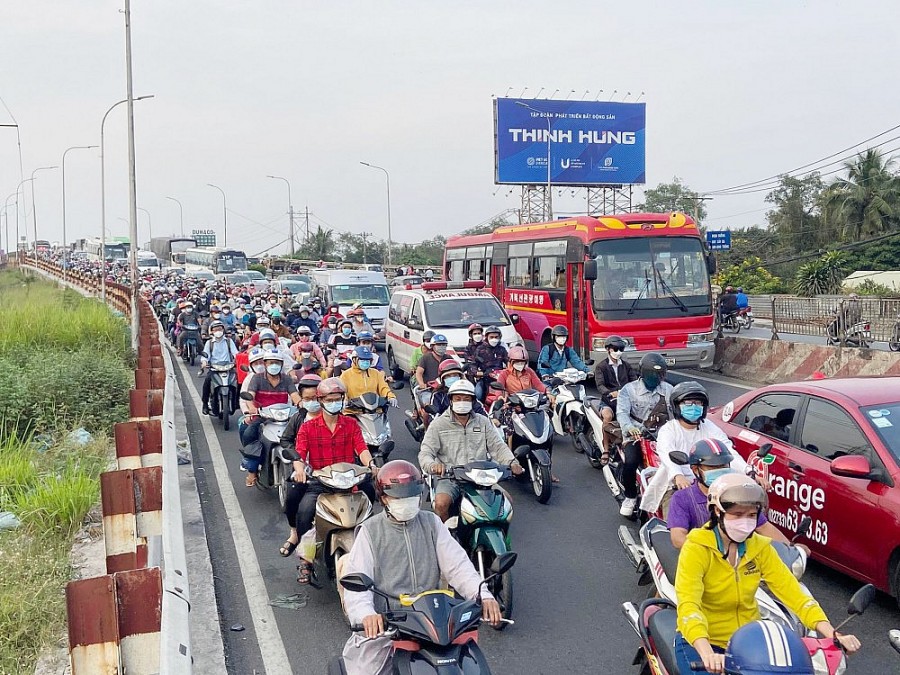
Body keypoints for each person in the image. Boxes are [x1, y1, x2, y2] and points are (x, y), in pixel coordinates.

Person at [674, 474, 860, 674]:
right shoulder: (696, 548)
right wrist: (707, 653)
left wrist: (833, 634)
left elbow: (795, 595)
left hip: (749, 644)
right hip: (702, 643)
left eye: (751, 515)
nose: (745, 521)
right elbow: (689, 605)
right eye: (737, 514)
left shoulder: (759, 548)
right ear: (717, 512)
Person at [340, 460, 503, 675]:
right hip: (391, 622)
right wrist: (366, 615)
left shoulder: (432, 523)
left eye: (411, 495)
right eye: (398, 497)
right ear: (384, 498)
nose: (405, 502)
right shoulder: (371, 532)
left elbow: (458, 565)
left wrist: (483, 595)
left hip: (435, 618)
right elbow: (357, 581)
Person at [291, 378, 379, 584]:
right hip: (320, 483)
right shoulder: (308, 427)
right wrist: (300, 470)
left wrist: (372, 465)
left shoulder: (350, 424)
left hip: (349, 481)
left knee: (370, 501)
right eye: (330, 399)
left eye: (338, 399)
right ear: (321, 401)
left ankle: (373, 548)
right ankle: (307, 559)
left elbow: (362, 449)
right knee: (304, 512)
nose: (334, 403)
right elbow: (299, 455)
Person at [642, 381, 754, 517]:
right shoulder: (669, 429)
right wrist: (678, 476)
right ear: (676, 406)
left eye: (698, 403)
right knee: (675, 522)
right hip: (677, 486)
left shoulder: (709, 427)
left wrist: (749, 472)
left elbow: (728, 450)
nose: (694, 407)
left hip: (710, 484)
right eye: (688, 403)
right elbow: (666, 453)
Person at [418, 379, 523, 521]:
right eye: (458, 398)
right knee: (441, 504)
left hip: (481, 477)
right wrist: (433, 465)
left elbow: (498, 447)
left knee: (507, 502)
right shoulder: (439, 424)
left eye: (466, 399)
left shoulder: (482, 421)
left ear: (473, 401)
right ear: (451, 400)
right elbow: (426, 452)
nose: (462, 402)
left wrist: (512, 463)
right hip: (451, 477)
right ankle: (444, 539)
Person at [667, 439, 795, 550]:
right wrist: (708, 553)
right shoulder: (682, 498)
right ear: (695, 470)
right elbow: (678, 538)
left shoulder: (739, 495)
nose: (719, 470)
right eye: (712, 467)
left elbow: (763, 527)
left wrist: (792, 549)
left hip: (741, 560)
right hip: (703, 564)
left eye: (723, 466)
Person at [615, 353, 673, 517]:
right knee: (631, 462)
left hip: (661, 435)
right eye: (653, 374)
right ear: (643, 373)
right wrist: (629, 428)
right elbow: (622, 413)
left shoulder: (668, 390)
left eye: (660, 374)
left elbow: (675, 413)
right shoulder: (629, 390)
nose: (657, 378)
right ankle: (630, 496)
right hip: (636, 435)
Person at [239, 349, 302, 487]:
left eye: (277, 363)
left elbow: (294, 395)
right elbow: (250, 396)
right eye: (271, 363)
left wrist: (301, 404)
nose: (274, 365)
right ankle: (252, 468)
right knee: (248, 432)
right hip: (263, 415)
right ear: (265, 364)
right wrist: (252, 408)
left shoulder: (286, 378)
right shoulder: (257, 378)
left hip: (283, 415)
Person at [276, 375, 322, 557]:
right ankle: (296, 535)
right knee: (293, 500)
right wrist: (299, 465)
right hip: (306, 471)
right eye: (308, 399)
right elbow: (287, 441)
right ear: (301, 399)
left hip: (334, 473)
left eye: (316, 398)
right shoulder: (299, 420)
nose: (313, 402)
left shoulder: (340, 420)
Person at [593, 335, 637, 461]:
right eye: (615, 349)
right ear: (608, 350)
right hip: (608, 402)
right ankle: (605, 450)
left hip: (625, 401)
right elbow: (600, 385)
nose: (618, 352)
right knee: (607, 417)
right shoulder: (601, 367)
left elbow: (634, 381)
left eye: (620, 349)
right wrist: (610, 393)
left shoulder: (627, 366)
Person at [199, 320, 239, 415]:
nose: (218, 331)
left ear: (223, 330)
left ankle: (237, 402)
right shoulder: (209, 343)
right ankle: (205, 404)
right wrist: (204, 362)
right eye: (215, 329)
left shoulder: (229, 341)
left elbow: (236, 353)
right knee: (206, 384)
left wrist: (238, 360)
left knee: (238, 383)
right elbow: (205, 355)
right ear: (212, 331)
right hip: (214, 369)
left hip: (228, 368)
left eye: (220, 329)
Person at [472, 326, 508, 401]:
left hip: (500, 378)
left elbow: (509, 362)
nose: (494, 339)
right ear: (486, 337)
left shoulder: (502, 349)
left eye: (496, 337)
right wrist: (477, 372)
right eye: (491, 337)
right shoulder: (480, 349)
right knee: (478, 394)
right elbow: (473, 364)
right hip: (485, 378)